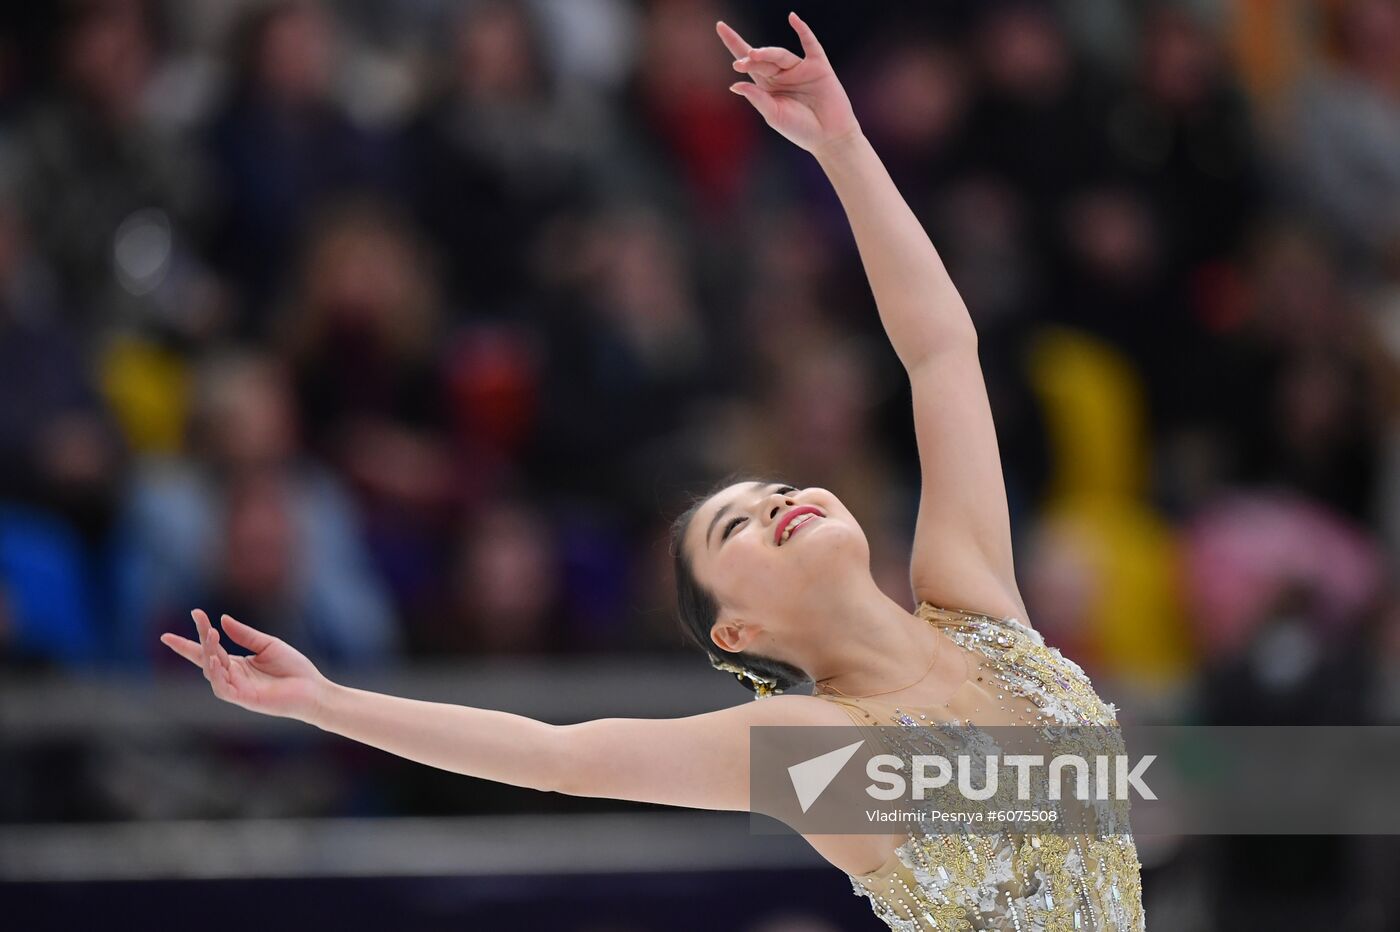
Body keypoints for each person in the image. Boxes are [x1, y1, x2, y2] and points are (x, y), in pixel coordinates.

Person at [160, 13, 1145, 929]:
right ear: (737, 629)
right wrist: (325, 700)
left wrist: (842, 147)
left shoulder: (975, 603)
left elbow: (938, 351)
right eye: (739, 527)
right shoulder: (816, 750)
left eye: (769, 491)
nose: (777, 501)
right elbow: (561, 756)